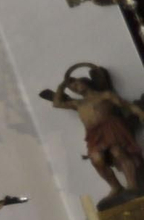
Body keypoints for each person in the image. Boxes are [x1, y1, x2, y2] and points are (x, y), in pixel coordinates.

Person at [40, 63, 144, 208]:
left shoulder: (104, 95)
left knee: (119, 153)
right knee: (96, 159)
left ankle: (132, 186)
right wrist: (62, 86)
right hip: (94, 133)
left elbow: (125, 105)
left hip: (111, 126)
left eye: (77, 83)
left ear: (85, 81)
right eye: (73, 88)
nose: (76, 87)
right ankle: (116, 187)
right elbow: (57, 103)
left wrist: (139, 112)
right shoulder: (77, 103)